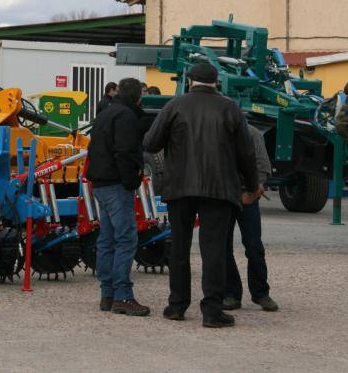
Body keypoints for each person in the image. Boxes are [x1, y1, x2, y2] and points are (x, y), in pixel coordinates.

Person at [144, 62, 260, 328]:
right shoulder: (230, 108)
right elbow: (246, 152)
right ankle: (212, 311)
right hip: (219, 189)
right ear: (216, 82)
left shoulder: (174, 105)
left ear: (190, 80)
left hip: (179, 187)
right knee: (214, 250)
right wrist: (252, 185)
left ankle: (176, 305)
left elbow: (150, 143)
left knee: (180, 247)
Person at [87, 77, 150, 317]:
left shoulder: (105, 112)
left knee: (107, 239)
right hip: (116, 184)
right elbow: (124, 152)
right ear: (138, 96)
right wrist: (132, 180)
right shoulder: (126, 117)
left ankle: (108, 294)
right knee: (126, 238)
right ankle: (123, 296)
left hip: (100, 183)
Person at [224, 124, 279, 312]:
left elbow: (262, 165)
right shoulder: (216, 132)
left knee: (254, 246)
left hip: (248, 195)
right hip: (224, 197)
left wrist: (254, 190)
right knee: (223, 247)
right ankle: (231, 293)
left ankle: (261, 293)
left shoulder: (252, 133)